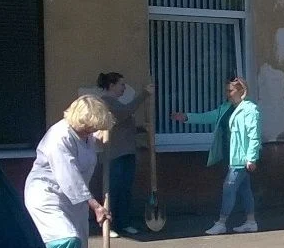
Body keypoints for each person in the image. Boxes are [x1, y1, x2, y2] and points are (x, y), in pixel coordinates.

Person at [24, 95, 115, 248]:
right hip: (47, 194)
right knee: (67, 240)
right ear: (80, 120)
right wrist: (96, 206)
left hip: (74, 200)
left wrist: (100, 136)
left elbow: (90, 147)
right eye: (90, 127)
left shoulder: (85, 135)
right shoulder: (59, 137)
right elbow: (69, 176)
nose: (91, 131)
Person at [170, 78, 262, 235]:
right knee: (244, 189)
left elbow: (254, 135)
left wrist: (251, 158)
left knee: (229, 187)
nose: (227, 94)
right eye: (227, 90)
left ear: (241, 91)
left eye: (230, 90)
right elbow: (208, 117)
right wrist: (186, 117)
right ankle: (251, 221)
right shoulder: (226, 108)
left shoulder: (250, 109)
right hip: (230, 155)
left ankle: (221, 222)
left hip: (241, 158)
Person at [96, 71, 152, 238]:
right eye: (121, 84)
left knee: (125, 190)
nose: (124, 88)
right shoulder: (105, 102)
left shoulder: (118, 102)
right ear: (111, 85)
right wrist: (144, 94)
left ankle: (124, 223)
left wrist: (142, 129)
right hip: (114, 155)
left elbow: (123, 124)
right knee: (113, 191)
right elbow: (124, 113)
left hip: (127, 153)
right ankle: (109, 225)